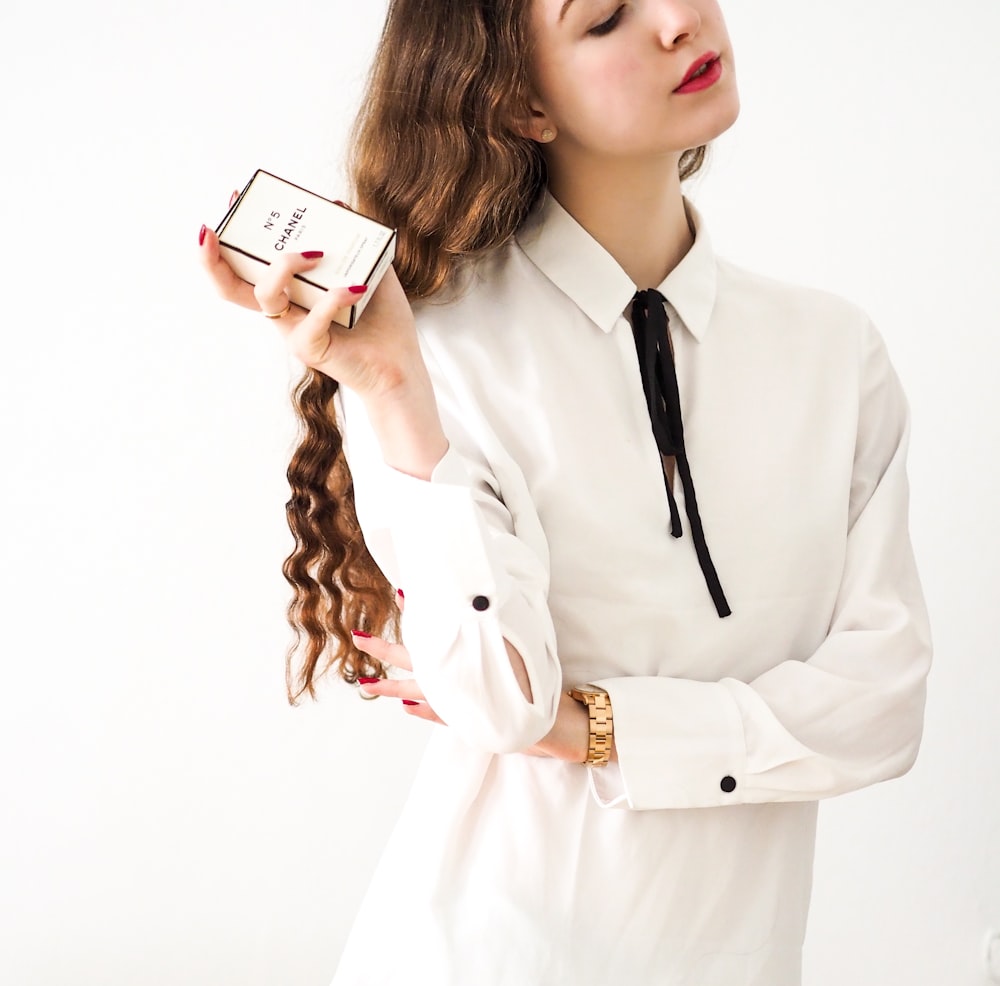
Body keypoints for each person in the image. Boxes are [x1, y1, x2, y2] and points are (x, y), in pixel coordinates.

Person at [198, 1, 932, 983]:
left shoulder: (832, 351)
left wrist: (601, 726)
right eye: (604, 19)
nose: (677, 21)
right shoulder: (435, 352)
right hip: (482, 949)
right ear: (523, 104)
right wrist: (392, 389)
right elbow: (503, 706)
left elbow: (883, 702)